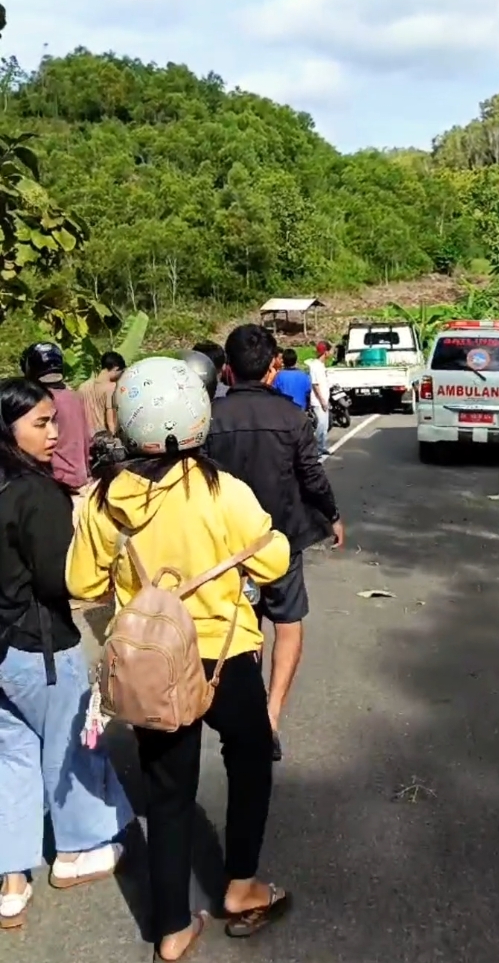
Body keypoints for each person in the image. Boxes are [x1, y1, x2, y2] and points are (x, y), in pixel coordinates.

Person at [67, 356, 293, 961]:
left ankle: (171, 928)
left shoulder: (103, 502)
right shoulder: (223, 491)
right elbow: (272, 562)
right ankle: (241, 886)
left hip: (153, 666)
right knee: (249, 763)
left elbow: (84, 585)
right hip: (227, 656)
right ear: (196, 415)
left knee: (167, 794)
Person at [0, 378, 133, 931]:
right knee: (75, 746)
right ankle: (79, 850)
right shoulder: (36, 494)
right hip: (42, 647)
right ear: (9, 430)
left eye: (55, 420)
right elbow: (60, 581)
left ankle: (10, 881)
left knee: (11, 761)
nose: (55, 434)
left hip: (4, 651)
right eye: (40, 424)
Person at [207, 325, 344, 762]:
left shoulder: (208, 417)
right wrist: (333, 516)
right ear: (275, 367)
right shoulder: (291, 418)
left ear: (227, 369)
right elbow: (313, 477)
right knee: (286, 622)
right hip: (279, 542)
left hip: (224, 550)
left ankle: (244, 709)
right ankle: (269, 716)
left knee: (244, 626)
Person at [20, 342, 90, 499]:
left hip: (57, 485)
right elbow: (87, 439)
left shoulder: (40, 402)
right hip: (81, 481)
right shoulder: (73, 397)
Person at [79, 351, 126, 436]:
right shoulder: (111, 388)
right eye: (121, 372)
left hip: (85, 436)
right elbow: (110, 420)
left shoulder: (83, 387)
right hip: (101, 436)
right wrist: (113, 435)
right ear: (116, 369)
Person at [307, 341, 333, 458]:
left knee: (325, 426)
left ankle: (322, 447)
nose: (332, 353)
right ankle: (315, 449)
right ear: (326, 352)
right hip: (318, 401)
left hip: (324, 399)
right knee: (320, 425)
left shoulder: (322, 365)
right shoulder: (315, 366)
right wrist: (322, 400)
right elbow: (315, 384)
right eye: (330, 350)